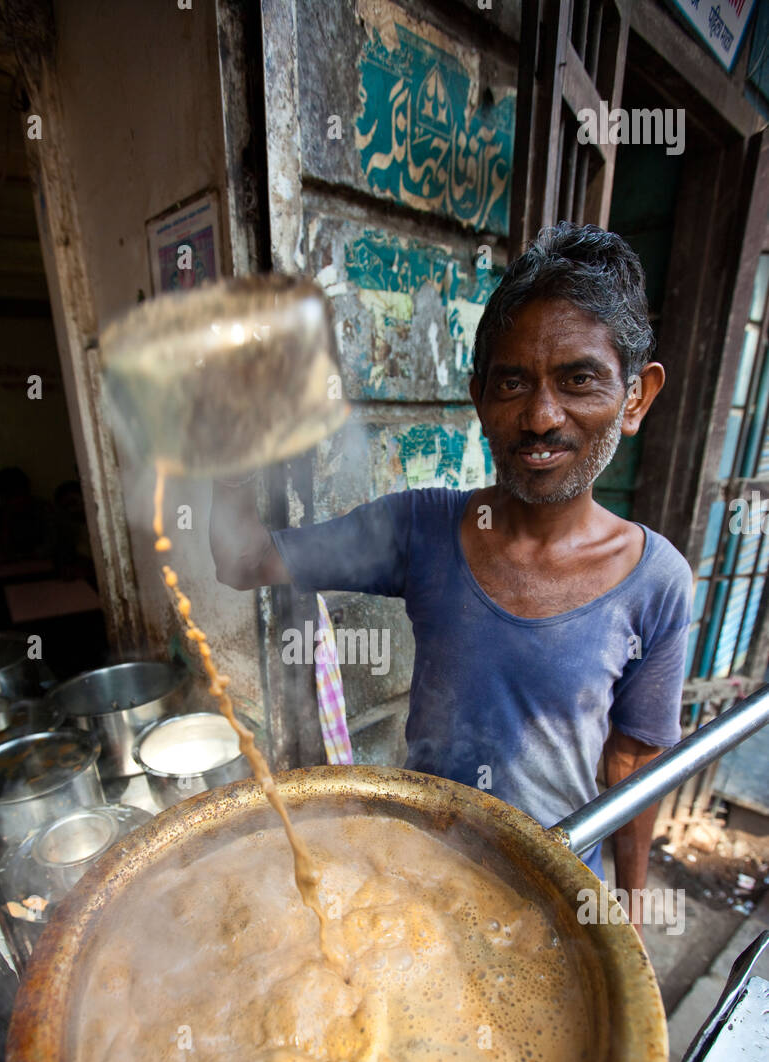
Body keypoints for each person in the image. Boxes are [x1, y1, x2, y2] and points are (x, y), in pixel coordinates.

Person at [209, 222, 694, 939]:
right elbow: (244, 562)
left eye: (579, 379)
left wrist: (625, 910)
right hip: (418, 889)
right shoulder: (421, 529)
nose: (541, 417)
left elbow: (633, 763)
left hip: (554, 896)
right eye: (512, 382)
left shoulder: (656, 581)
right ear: (479, 398)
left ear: (635, 398)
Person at [0, 466, 58, 565]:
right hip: (11, 569)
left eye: (15, 493)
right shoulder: (0, 514)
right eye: (6, 495)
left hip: (45, 566)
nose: (13, 500)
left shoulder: (43, 509)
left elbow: (52, 544)